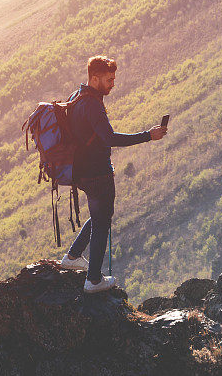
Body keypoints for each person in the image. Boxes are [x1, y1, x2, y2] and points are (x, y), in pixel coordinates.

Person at [60, 56, 167, 293]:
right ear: (95, 78)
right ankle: (94, 280)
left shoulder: (75, 96)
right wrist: (148, 135)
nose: (113, 84)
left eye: (114, 79)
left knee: (100, 215)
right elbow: (109, 138)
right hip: (97, 173)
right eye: (109, 80)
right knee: (102, 223)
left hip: (80, 172)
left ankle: (73, 256)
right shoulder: (92, 104)